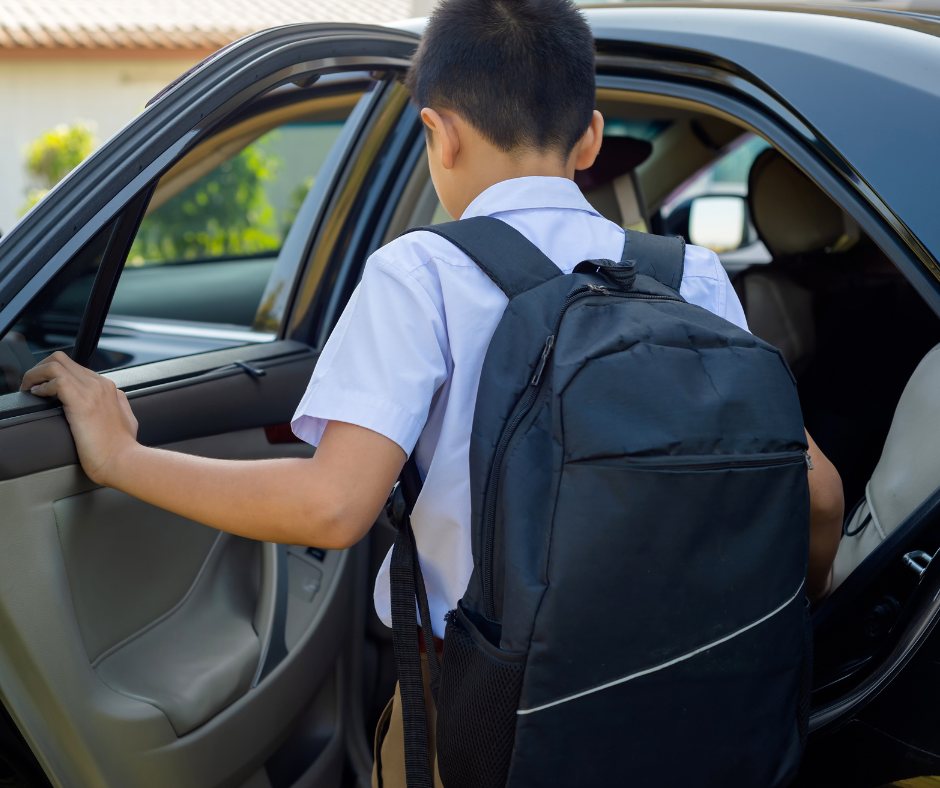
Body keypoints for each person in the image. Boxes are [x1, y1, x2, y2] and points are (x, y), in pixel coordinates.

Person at [22, 0, 844, 783]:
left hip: (496, 714)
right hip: (699, 693)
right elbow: (819, 496)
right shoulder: (690, 274)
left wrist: (124, 458)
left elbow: (332, 508)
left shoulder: (421, 272)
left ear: (437, 134)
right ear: (590, 138)